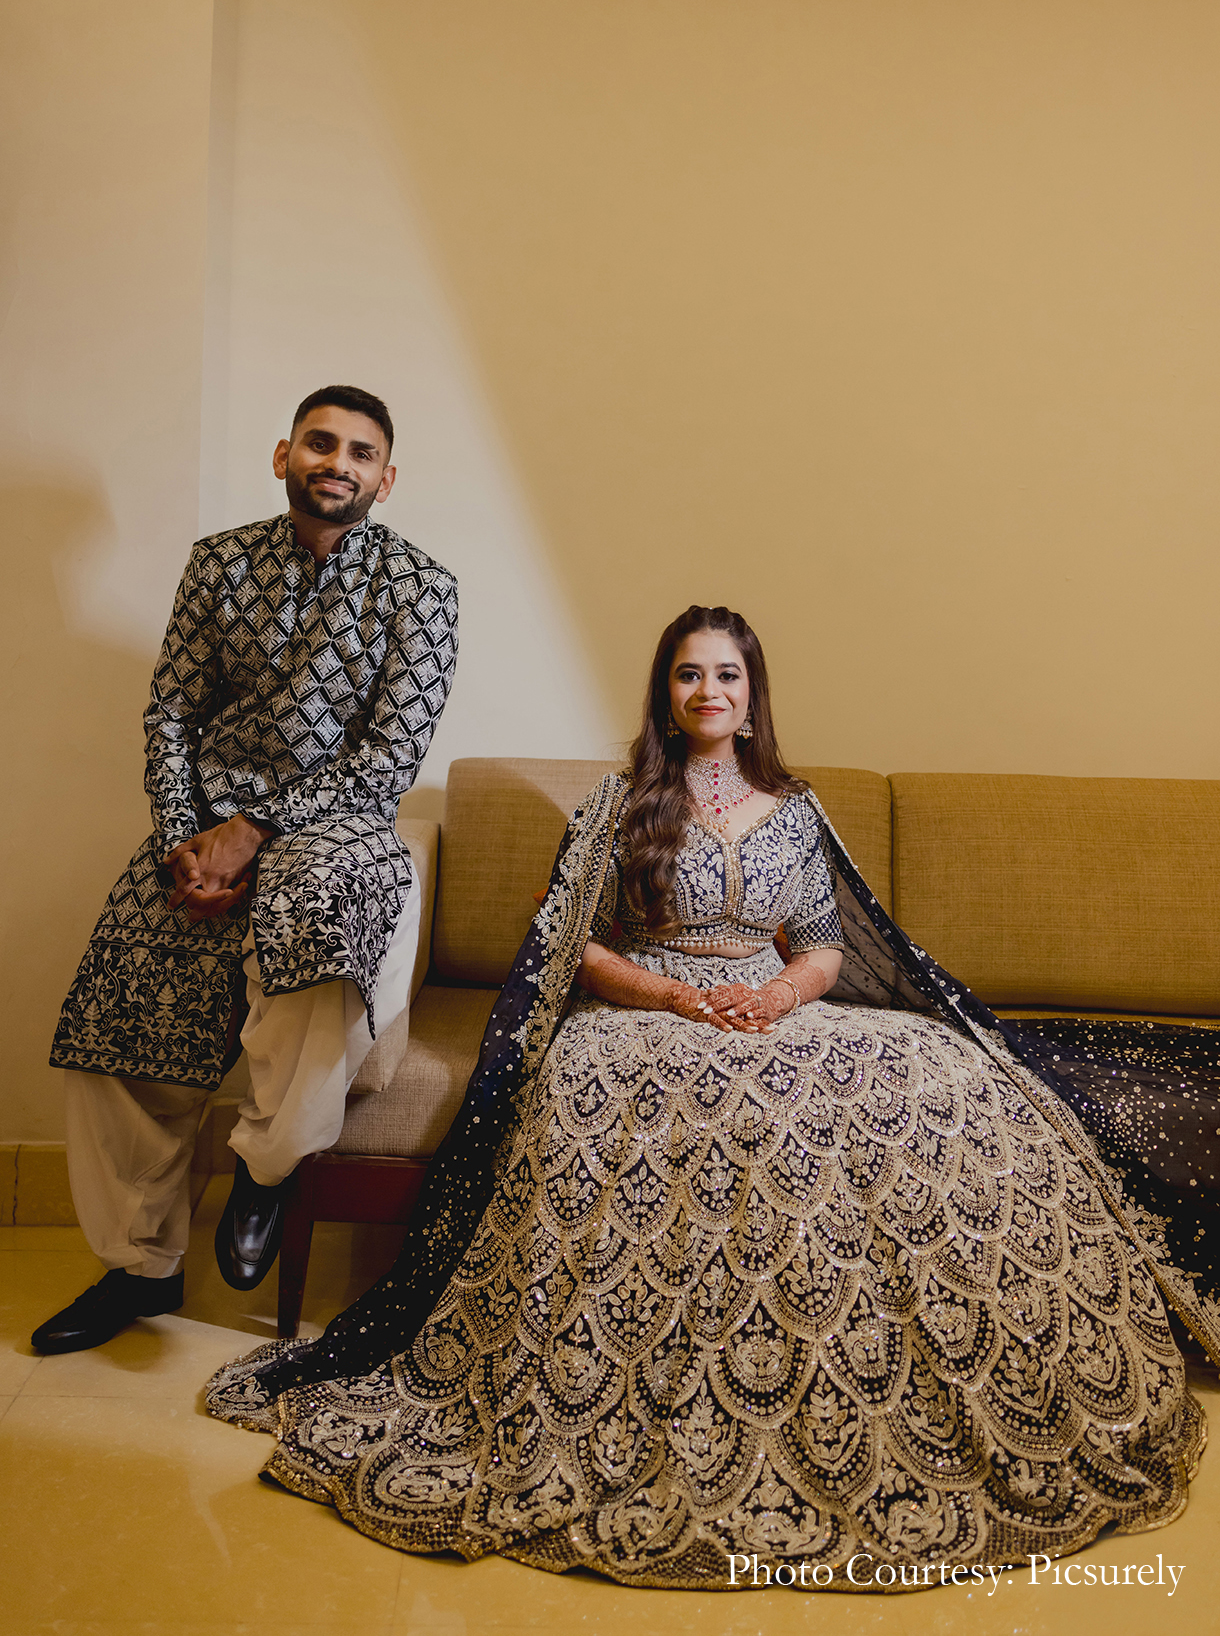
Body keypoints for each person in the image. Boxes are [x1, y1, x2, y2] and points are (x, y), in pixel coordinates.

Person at [205, 605, 1216, 1592]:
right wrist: (672, 994)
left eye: (726, 674)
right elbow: (574, 945)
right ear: (667, 691)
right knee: (684, 1110)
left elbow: (821, 946)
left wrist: (777, 994)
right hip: (639, 1013)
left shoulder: (795, 806)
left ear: (751, 692)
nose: (708, 689)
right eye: (689, 673)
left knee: (936, 1089)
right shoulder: (620, 802)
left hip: (767, 1006)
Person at [32, 386, 458, 1355]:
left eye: (359, 451)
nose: (337, 461)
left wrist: (253, 829)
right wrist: (185, 837)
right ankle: (139, 1262)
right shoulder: (218, 563)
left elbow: (389, 757)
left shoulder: (420, 588)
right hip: (204, 830)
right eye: (320, 442)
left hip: (337, 826)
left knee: (313, 926)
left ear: (386, 478)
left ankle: (266, 1167)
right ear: (282, 455)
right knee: (118, 1005)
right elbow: (172, 710)